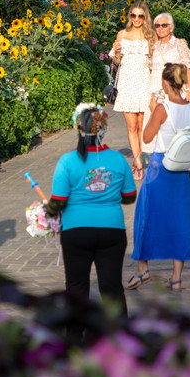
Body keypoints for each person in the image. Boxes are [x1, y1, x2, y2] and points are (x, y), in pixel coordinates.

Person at [47, 104, 137, 344]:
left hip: (76, 232)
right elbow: (130, 197)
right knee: (111, 287)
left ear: (78, 129)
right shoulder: (118, 159)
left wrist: (47, 211)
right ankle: (120, 338)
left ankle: (75, 339)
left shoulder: (67, 161)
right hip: (112, 231)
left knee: (76, 287)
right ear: (103, 131)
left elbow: (58, 201)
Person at [127, 63, 190, 292]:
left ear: (165, 82)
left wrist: (152, 109)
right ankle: (176, 277)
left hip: (160, 168)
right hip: (181, 172)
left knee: (146, 215)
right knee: (179, 220)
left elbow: (147, 136)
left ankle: (143, 271)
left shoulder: (162, 108)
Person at [110, 1, 155, 179]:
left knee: (142, 125)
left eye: (140, 16)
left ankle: (141, 159)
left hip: (144, 82)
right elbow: (117, 62)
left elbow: (156, 63)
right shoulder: (122, 34)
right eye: (133, 15)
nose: (136, 19)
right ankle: (137, 164)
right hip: (127, 83)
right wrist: (116, 52)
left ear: (145, 18)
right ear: (130, 16)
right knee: (131, 126)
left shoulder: (151, 35)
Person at [148, 12, 190, 103]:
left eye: (164, 25)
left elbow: (187, 68)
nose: (160, 28)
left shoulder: (180, 44)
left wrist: (188, 90)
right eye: (157, 26)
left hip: (175, 89)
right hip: (155, 89)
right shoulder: (154, 46)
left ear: (171, 27)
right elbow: (150, 69)